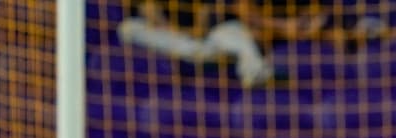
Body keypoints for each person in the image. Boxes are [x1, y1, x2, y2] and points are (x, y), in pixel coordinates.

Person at [117, 1, 284, 87]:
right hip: (171, 39)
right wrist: (176, 32)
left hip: (207, 41)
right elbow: (149, 9)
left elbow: (206, 16)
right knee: (128, 28)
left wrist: (195, 33)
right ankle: (192, 52)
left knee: (233, 30)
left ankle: (255, 73)